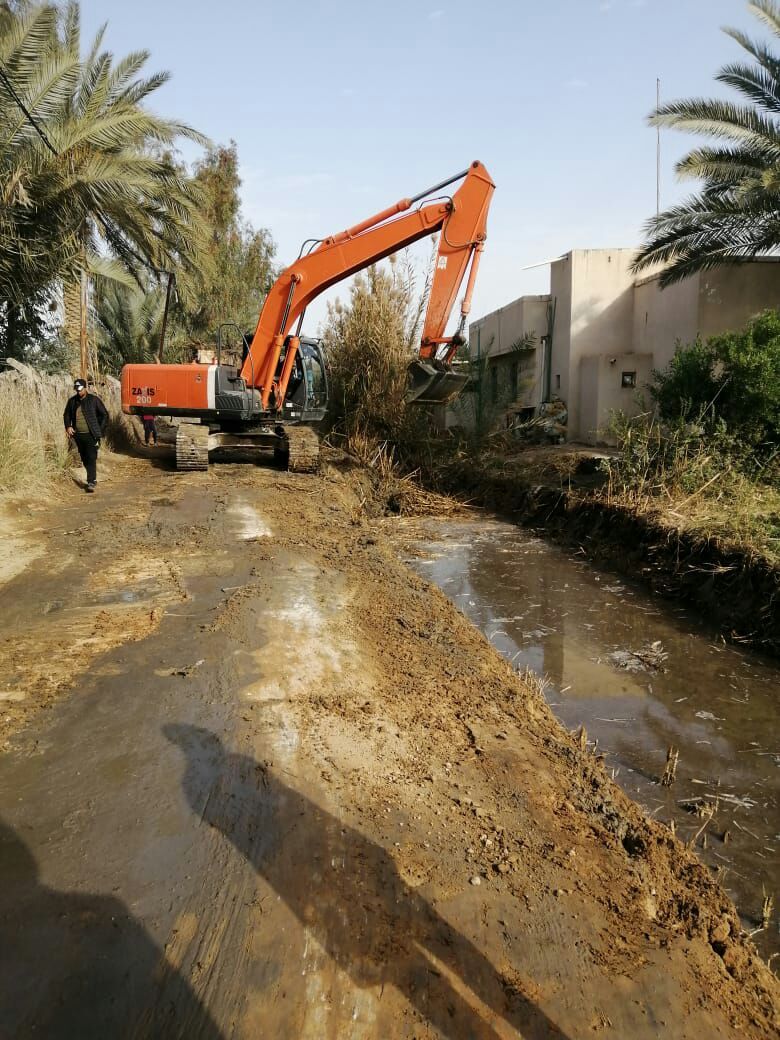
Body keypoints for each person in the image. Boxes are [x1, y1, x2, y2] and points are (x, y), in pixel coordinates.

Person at [63, 378, 108, 493]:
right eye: (76, 390)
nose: (78, 392)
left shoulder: (94, 400)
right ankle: (91, 477)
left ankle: (91, 481)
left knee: (91, 457)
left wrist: (100, 430)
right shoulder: (72, 401)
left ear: (85, 388)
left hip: (91, 435)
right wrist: (68, 426)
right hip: (78, 436)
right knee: (84, 458)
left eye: (80, 389)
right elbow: (66, 414)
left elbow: (104, 415)